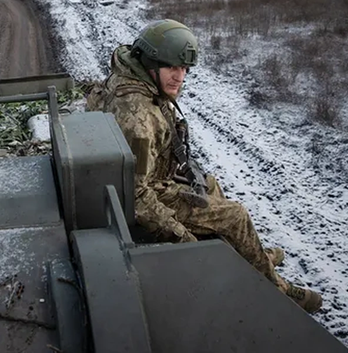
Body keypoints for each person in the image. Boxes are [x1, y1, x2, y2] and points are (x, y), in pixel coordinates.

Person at [86, 19, 322, 313]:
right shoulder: (138, 118)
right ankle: (277, 289)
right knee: (236, 215)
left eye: (184, 70)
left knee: (209, 184)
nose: (180, 77)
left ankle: (248, 253)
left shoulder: (128, 79)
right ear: (149, 63)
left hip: (147, 181)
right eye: (172, 67)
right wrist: (183, 237)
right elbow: (136, 195)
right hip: (146, 196)